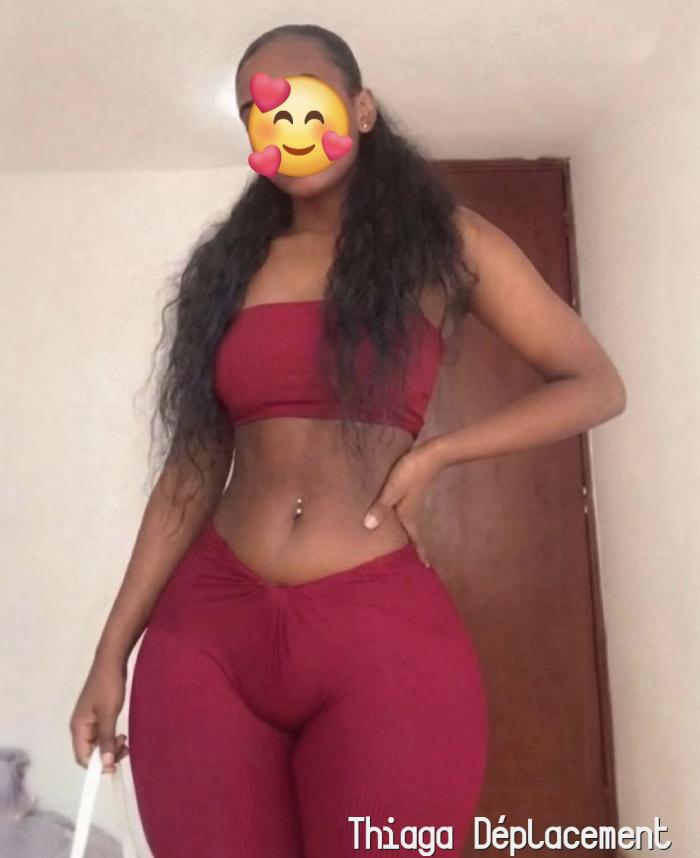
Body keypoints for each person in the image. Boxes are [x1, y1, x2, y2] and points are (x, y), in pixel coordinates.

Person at [68, 23, 626, 858]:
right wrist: (111, 652)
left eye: (308, 99)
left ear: (361, 109)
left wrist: (439, 453)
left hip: (377, 634)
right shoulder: (229, 268)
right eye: (262, 112)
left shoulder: (447, 245)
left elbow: (595, 384)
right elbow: (193, 466)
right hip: (206, 640)